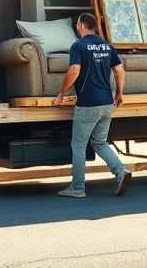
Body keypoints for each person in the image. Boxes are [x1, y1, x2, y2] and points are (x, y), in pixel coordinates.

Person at [54, 13, 132, 198]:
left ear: (81, 25)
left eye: (77, 24)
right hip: (107, 102)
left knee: (79, 145)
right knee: (99, 142)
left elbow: (74, 70)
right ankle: (121, 171)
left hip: (88, 104)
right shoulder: (106, 45)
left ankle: (78, 188)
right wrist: (119, 93)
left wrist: (61, 94)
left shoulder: (78, 46)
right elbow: (119, 69)